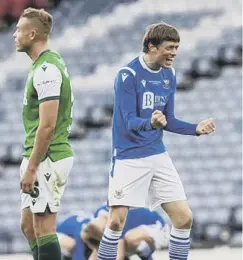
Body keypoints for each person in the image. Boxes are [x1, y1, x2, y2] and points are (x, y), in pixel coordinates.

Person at [97, 23, 216, 260]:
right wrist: (150, 123)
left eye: (177, 47)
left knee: (184, 218)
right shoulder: (127, 75)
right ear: (152, 46)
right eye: (170, 47)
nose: (174, 52)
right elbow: (129, 120)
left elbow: (168, 119)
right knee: (116, 222)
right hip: (128, 156)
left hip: (157, 154)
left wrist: (196, 129)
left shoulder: (168, 74)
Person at [13, 8, 74, 260]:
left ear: (33, 33)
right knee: (28, 227)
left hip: (48, 157)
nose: (14, 34)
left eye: (18, 29)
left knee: (44, 228)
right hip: (37, 156)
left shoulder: (47, 69)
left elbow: (47, 126)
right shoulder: (42, 65)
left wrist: (32, 167)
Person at [57, 205, 168, 260]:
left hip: (156, 225)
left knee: (130, 239)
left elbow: (118, 255)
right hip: (55, 236)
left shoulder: (114, 225)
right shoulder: (85, 231)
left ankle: (145, 253)